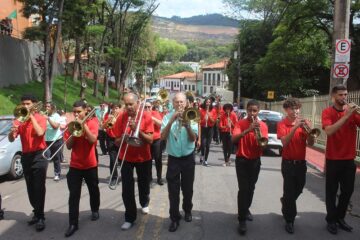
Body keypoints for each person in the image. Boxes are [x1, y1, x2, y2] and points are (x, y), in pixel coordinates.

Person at [321, 84, 360, 235]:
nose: (344, 98)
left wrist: (354, 113)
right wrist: (346, 116)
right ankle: (331, 220)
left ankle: (340, 218)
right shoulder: (327, 112)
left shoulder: (352, 112)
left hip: (349, 159)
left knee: (347, 191)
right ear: (333, 96)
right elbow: (329, 131)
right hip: (333, 159)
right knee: (331, 192)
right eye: (340, 95)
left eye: (345, 95)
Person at [113, 93, 154, 231]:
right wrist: (123, 138)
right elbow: (116, 141)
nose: (128, 107)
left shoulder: (146, 116)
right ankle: (129, 217)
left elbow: (150, 140)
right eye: (126, 104)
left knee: (144, 183)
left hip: (143, 157)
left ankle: (144, 202)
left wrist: (138, 129)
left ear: (137, 103)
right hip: (126, 157)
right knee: (127, 189)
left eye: (131, 104)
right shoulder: (121, 117)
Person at [8, 94, 48, 231]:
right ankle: (36, 213)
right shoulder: (19, 120)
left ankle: (41, 216)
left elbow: (40, 132)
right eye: (23, 104)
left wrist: (30, 116)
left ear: (34, 105)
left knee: (39, 187)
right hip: (26, 156)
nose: (25, 106)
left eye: (28, 104)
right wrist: (11, 131)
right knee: (30, 187)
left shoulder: (40, 118)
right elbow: (12, 139)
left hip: (39, 155)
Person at [161, 92, 198, 232]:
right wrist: (171, 120)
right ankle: (174, 218)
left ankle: (187, 210)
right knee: (173, 191)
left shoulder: (192, 115)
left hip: (188, 157)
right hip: (174, 159)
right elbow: (162, 137)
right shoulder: (166, 116)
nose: (180, 104)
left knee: (188, 189)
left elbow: (193, 138)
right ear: (173, 103)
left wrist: (187, 125)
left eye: (182, 102)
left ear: (187, 103)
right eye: (177, 102)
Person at [277, 98, 315, 234]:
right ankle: (290, 220)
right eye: (292, 109)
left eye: (297, 108)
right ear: (286, 110)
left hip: (301, 163)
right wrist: (295, 127)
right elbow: (284, 143)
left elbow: (310, 143)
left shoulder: (305, 123)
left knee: (298, 189)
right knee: (289, 191)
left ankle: (286, 202)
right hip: (287, 164)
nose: (296, 111)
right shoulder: (282, 124)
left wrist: (311, 133)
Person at [63, 100, 100, 237]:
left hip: (90, 164)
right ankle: (73, 223)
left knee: (93, 190)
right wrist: (74, 130)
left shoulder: (93, 123)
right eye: (75, 112)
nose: (77, 114)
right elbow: (68, 146)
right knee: (73, 195)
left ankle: (95, 209)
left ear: (86, 110)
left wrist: (84, 126)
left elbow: (93, 141)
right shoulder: (71, 126)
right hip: (75, 165)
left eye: (79, 112)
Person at [231, 100, 268, 235]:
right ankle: (241, 220)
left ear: (258, 111)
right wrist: (248, 130)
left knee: (251, 188)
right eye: (250, 110)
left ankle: (245, 209)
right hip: (241, 160)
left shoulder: (263, 125)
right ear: (246, 110)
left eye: (255, 111)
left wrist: (261, 142)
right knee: (243, 189)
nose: (252, 113)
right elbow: (234, 139)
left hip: (255, 161)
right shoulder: (240, 123)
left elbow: (264, 145)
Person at [145, 101, 164, 185]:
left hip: (156, 139)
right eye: (145, 107)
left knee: (158, 159)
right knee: (148, 160)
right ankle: (149, 177)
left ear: (151, 106)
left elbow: (161, 124)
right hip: (147, 140)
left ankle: (159, 178)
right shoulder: (142, 115)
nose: (147, 108)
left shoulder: (155, 113)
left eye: (149, 107)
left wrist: (152, 118)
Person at [103, 102, 122, 186]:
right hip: (110, 139)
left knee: (122, 160)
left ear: (120, 109)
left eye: (117, 108)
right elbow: (104, 127)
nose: (115, 110)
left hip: (120, 138)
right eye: (113, 108)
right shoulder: (108, 116)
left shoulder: (122, 116)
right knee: (112, 159)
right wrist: (108, 120)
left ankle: (124, 175)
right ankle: (114, 177)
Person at [43, 102, 62, 181]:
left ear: (52, 108)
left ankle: (57, 174)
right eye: (46, 106)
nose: (47, 108)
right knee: (45, 158)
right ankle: (43, 174)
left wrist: (48, 119)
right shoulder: (43, 116)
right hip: (46, 140)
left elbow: (55, 127)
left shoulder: (56, 116)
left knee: (56, 158)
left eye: (48, 106)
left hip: (56, 140)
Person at [199, 98, 217, 166]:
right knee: (203, 145)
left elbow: (213, 121)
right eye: (207, 102)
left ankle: (205, 160)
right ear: (205, 103)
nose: (208, 103)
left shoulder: (213, 110)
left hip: (210, 129)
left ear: (211, 103)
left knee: (208, 145)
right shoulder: (201, 110)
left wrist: (209, 116)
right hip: (203, 128)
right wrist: (204, 119)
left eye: (209, 102)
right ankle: (202, 155)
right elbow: (199, 121)